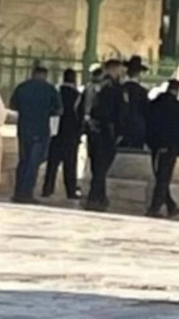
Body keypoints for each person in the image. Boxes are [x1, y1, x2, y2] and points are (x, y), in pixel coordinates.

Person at [9, 62, 63, 203]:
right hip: (41, 129)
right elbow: (59, 110)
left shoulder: (22, 87)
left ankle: (18, 191)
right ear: (45, 75)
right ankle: (26, 193)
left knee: (23, 160)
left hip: (24, 129)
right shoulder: (50, 89)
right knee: (34, 162)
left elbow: (13, 105)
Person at [85, 59, 126, 211]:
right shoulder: (113, 88)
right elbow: (119, 112)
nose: (121, 73)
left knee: (97, 166)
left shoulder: (92, 86)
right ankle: (94, 197)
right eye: (119, 70)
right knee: (102, 166)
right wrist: (120, 132)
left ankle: (100, 197)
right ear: (112, 69)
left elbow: (81, 108)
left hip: (93, 130)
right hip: (107, 131)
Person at [146, 80, 179, 218]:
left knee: (161, 176)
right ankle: (154, 208)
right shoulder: (177, 107)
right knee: (163, 178)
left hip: (155, 145)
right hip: (169, 145)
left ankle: (171, 205)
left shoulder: (155, 104)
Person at [42, 69, 84, 200]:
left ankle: (47, 189)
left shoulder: (57, 93)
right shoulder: (77, 95)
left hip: (56, 133)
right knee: (70, 165)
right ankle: (70, 191)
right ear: (74, 79)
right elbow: (80, 115)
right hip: (71, 134)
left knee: (52, 164)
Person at [119, 56, 150, 149]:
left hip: (121, 129)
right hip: (138, 129)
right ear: (139, 74)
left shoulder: (120, 89)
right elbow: (146, 111)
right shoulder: (142, 91)